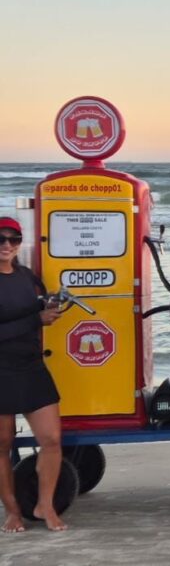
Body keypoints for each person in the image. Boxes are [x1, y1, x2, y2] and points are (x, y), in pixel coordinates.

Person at [0, 216, 66, 533]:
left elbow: (34, 308)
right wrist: (36, 320)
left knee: (52, 439)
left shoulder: (27, 276)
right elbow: (27, 321)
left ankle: (45, 505)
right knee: (2, 443)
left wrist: (50, 305)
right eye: (1, 239)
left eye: (13, 239)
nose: (7, 245)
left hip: (31, 365)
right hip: (1, 369)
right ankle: (12, 511)